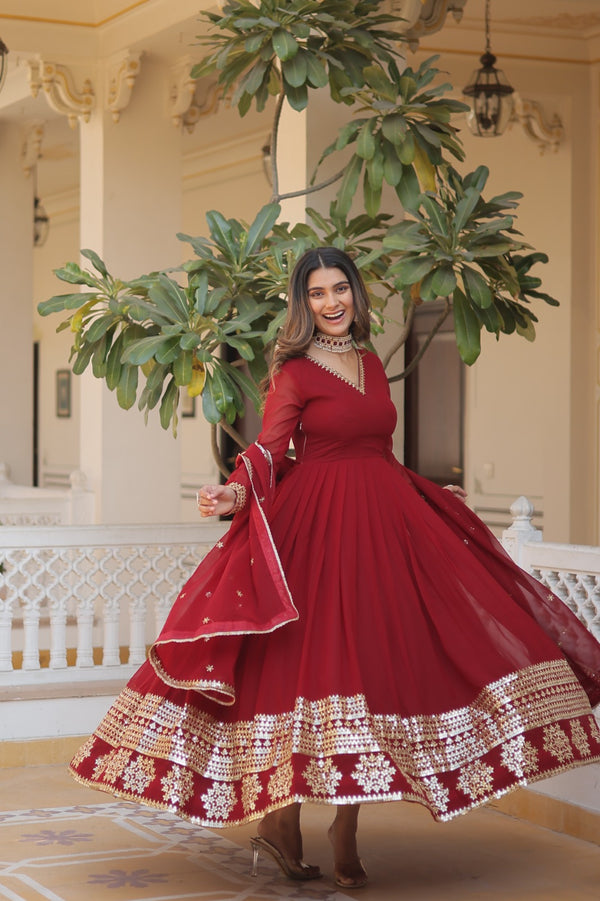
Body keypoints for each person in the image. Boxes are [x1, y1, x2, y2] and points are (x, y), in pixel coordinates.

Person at [70, 247, 600, 890]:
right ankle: (281, 821)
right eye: (317, 294)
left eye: (340, 289)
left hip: (384, 525)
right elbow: (269, 449)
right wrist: (236, 494)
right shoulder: (293, 373)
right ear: (303, 305)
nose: (332, 303)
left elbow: (377, 448)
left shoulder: (373, 360)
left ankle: (346, 826)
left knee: (373, 668)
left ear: (356, 294)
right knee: (300, 669)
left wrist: (423, 494)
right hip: (314, 530)